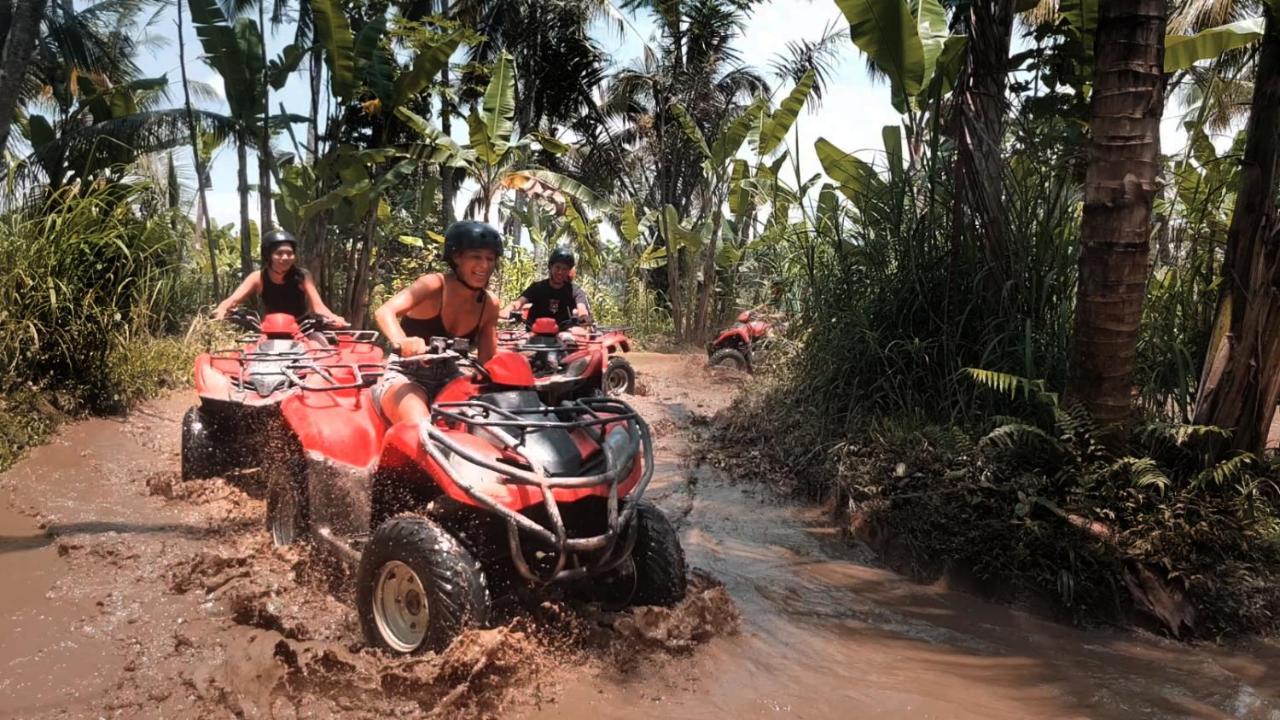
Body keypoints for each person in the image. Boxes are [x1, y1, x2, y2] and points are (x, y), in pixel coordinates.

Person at [371, 220, 503, 425]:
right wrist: (402, 341)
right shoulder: (433, 285)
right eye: (476, 257)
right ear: (456, 257)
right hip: (407, 374)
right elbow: (384, 311)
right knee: (419, 427)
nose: (484, 265)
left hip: (451, 377)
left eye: (490, 258)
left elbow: (487, 362)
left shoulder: (490, 304)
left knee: (487, 422)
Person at [212, 230, 347, 326]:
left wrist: (333, 318)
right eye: (279, 253)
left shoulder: (302, 275)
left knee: (319, 349)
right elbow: (233, 299)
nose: (285, 258)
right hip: (272, 330)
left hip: (304, 328)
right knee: (252, 356)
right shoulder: (258, 277)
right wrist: (222, 308)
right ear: (268, 256)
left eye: (290, 253)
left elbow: (318, 306)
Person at [501, 247, 590, 328]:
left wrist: (583, 316)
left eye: (564, 269)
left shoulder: (575, 291)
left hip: (563, 337)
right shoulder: (537, 287)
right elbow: (519, 302)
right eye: (557, 267)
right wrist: (507, 309)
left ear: (568, 271)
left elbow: (581, 307)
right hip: (534, 334)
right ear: (550, 267)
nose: (560, 272)